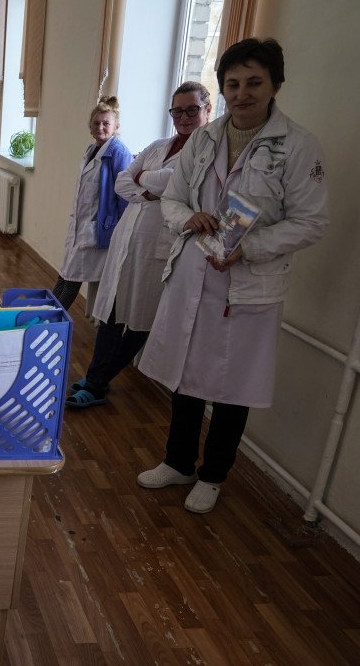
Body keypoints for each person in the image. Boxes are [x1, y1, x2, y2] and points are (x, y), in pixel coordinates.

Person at [136, 38, 328, 513]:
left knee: (231, 384)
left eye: (253, 83)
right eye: (233, 84)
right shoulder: (204, 138)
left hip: (249, 283)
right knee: (183, 374)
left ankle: (214, 474)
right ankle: (177, 461)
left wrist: (251, 247)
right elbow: (174, 198)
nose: (241, 93)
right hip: (194, 269)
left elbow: (311, 221)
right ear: (222, 88)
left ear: (274, 85)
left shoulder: (299, 146)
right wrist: (188, 218)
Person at [67, 83, 212, 408]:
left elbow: (172, 182)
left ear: (207, 110)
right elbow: (123, 181)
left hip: (160, 247)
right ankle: (95, 378)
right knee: (110, 312)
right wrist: (150, 185)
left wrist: (144, 179)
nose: (183, 117)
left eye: (192, 109)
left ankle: (96, 382)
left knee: (142, 319)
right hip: (128, 239)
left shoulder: (207, 153)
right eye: (177, 110)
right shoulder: (160, 144)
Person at [52, 96, 134, 310]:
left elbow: (125, 197)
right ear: (90, 127)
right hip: (81, 225)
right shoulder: (92, 150)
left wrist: (119, 233)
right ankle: (45, 315)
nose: (100, 127)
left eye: (106, 123)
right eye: (96, 123)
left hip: (97, 230)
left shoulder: (119, 153)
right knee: (65, 274)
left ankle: (49, 322)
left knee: (72, 279)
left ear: (116, 126)